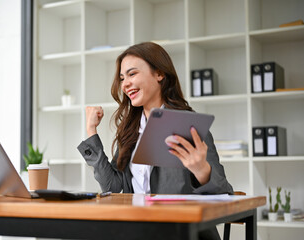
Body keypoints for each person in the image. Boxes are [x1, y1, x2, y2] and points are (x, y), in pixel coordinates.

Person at [77, 42, 233, 239]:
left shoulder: (188, 127)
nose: (124, 84)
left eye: (132, 74)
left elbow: (225, 196)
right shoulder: (130, 132)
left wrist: (202, 171)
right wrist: (91, 131)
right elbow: (113, 188)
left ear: (159, 74)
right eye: (122, 78)